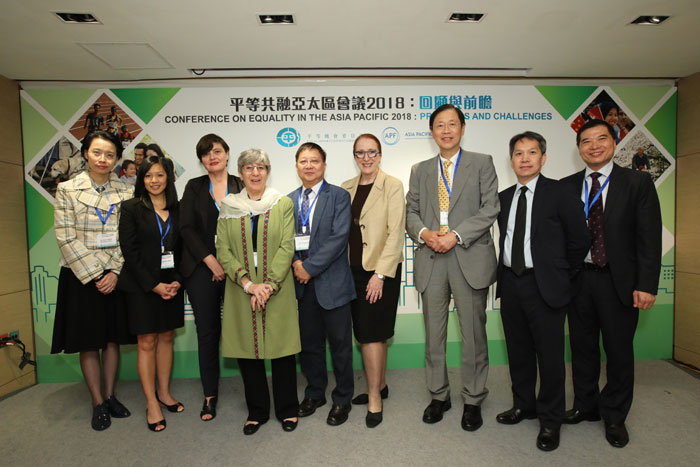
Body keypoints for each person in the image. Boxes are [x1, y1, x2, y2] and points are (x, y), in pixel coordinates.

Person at [561, 119, 662, 448]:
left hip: (619, 282)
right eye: (586, 141)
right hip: (579, 281)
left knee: (618, 352)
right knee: (582, 348)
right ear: (578, 149)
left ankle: (615, 415)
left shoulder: (637, 182)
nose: (593, 146)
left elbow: (648, 238)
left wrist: (646, 284)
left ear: (614, 143)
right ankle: (585, 406)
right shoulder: (567, 185)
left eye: (601, 139)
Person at [405, 103, 499, 431]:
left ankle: (473, 398)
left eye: (452, 124)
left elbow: (490, 208)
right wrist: (426, 233)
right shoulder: (420, 170)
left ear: (462, 128)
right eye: (440, 125)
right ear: (431, 132)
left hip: (467, 255)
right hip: (432, 257)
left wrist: (455, 235)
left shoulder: (482, 163)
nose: (446, 131)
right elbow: (411, 212)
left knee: (473, 333)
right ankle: (439, 395)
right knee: (434, 334)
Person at [495, 131, 590, 451]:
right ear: (511, 161)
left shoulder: (560, 193)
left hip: (545, 285)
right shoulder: (504, 197)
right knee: (518, 351)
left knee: (549, 357)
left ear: (543, 158)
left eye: (531, 152)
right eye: (518, 154)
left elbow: (580, 240)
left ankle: (550, 420)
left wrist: (562, 274)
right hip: (510, 282)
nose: (524, 158)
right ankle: (524, 405)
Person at [51, 130, 134, 431]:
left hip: (115, 275)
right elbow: (65, 237)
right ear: (86, 153)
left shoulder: (126, 192)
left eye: (110, 154)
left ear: (116, 159)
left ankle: (110, 395)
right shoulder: (68, 189)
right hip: (80, 276)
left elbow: (128, 237)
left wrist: (114, 271)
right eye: (97, 152)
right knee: (89, 341)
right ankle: (97, 401)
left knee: (111, 339)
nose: (103, 159)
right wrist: (96, 273)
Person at [217, 149, 300, 434]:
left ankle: (288, 409)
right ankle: (257, 411)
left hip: (276, 287)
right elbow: (222, 249)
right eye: (249, 168)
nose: (255, 173)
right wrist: (248, 284)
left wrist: (268, 285)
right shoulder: (228, 206)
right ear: (240, 173)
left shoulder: (282, 203)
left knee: (281, 350)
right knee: (247, 352)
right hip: (241, 288)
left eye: (261, 167)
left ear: (268, 171)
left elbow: (287, 246)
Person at [289, 142, 356, 426]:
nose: (309, 165)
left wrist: (309, 268)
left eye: (314, 160)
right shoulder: (288, 200)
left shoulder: (339, 196)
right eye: (303, 161)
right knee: (309, 346)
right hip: (303, 287)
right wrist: (295, 264)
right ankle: (315, 393)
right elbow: (282, 240)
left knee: (340, 346)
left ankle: (342, 399)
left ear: (324, 165)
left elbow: (339, 238)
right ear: (296, 166)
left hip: (333, 284)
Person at [340, 134, 405, 428]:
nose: (366, 158)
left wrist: (380, 274)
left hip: (379, 271)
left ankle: (374, 397)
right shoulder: (346, 188)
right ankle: (382, 384)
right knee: (372, 333)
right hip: (351, 271)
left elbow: (395, 233)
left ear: (380, 154)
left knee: (370, 334)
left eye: (371, 152)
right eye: (360, 153)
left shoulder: (392, 185)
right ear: (354, 156)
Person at [118, 155, 184, 432]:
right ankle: (151, 402)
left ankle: (164, 392)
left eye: (159, 175)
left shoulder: (179, 209)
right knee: (146, 342)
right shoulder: (132, 207)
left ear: (168, 177)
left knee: (166, 337)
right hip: (142, 286)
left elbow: (185, 248)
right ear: (141, 179)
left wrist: (178, 280)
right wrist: (153, 285)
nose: (154, 181)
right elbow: (129, 252)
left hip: (172, 285)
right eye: (147, 176)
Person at [180, 134, 243, 421]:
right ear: (201, 160)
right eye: (206, 154)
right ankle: (209, 395)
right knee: (208, 333)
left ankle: (252, 394)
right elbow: (187, 229)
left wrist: (230, 264)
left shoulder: (241, 184)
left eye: (217, 151)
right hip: (202, 268)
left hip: (238, 269)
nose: (212, 157)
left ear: (227, 154)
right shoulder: (194, 187)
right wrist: (210, 260)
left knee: (242, 329)